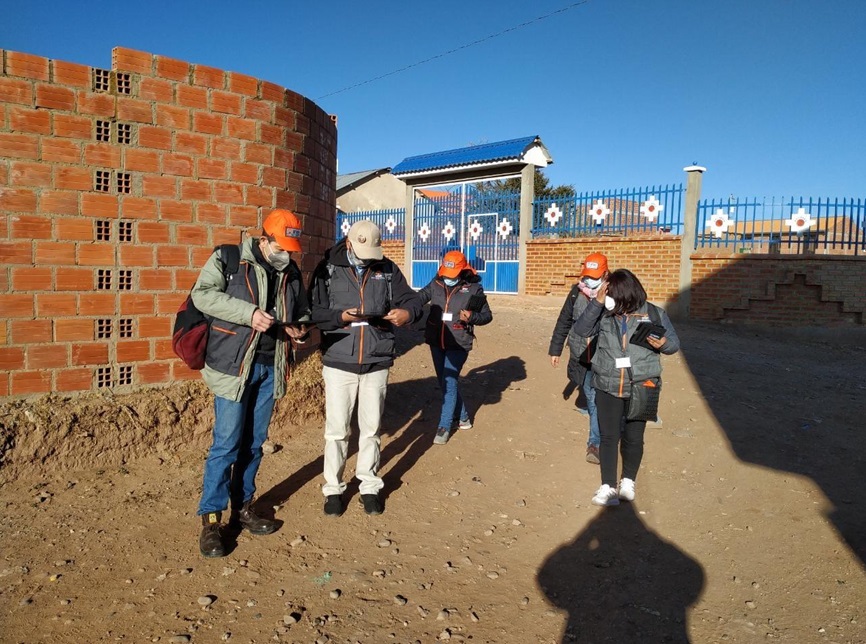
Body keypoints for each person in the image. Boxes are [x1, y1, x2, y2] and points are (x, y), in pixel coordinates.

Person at [192, 209, 311, 557]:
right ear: (264, 240)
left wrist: (297, 330)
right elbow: (203, 295)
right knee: (226, 444)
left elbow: (300, 311)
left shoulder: (290, 271)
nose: (285, 255)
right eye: (280, 247)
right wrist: (249, 314)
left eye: (290, 249)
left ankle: (242, 509)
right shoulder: (229, 259)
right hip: (233, 368)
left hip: (269, 367)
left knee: (255, 444)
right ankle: (211, 520)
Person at [309, 220, 423, 516]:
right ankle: (333, 488)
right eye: (361, 251)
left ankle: (369, 484)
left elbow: (412, 299)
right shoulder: (327, 270)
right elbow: (314, 311)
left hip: (377, 359)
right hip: (339, 361)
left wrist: (406, 313)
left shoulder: (386, 269)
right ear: (348, 244)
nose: (366, 257)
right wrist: (340, 318)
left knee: (371, 429)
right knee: (337, 430)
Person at [571, 268, 680, 507]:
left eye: (610, 293)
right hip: (607, 383)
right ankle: (608, 486)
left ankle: (628, 481)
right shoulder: (604, 313)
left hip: (643, 384)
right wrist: (597, 303)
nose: (607, 296)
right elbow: (580, 330)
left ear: (626, 294)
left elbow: (673, 344)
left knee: (634, 437)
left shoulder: (654, 313)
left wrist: (662, 343)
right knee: (609, 438)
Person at [417, 250, 493, 445]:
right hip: (436, 339)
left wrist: (472, 317)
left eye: (452, 275)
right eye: (445, 274)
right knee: (444, 382)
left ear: (461, 271)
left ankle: (444, 425)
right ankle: (464, 418)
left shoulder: (474, 289)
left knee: (449, 381)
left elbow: (487, 316)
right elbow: (420, 298)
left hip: (459, 342)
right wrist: (405, 307)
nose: (448, 278)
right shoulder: (436, 283)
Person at [548, 253, 609, 464]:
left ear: (605, 273)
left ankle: (595, 443)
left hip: (605, 357)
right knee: (592, 397)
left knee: (594, 399)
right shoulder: (576, 292)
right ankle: (597, 438)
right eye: (587, 276)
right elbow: (564, 320)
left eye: (595, 276)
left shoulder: (614, 293)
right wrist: (555, 349)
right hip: (581, 354)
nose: (589, 281)